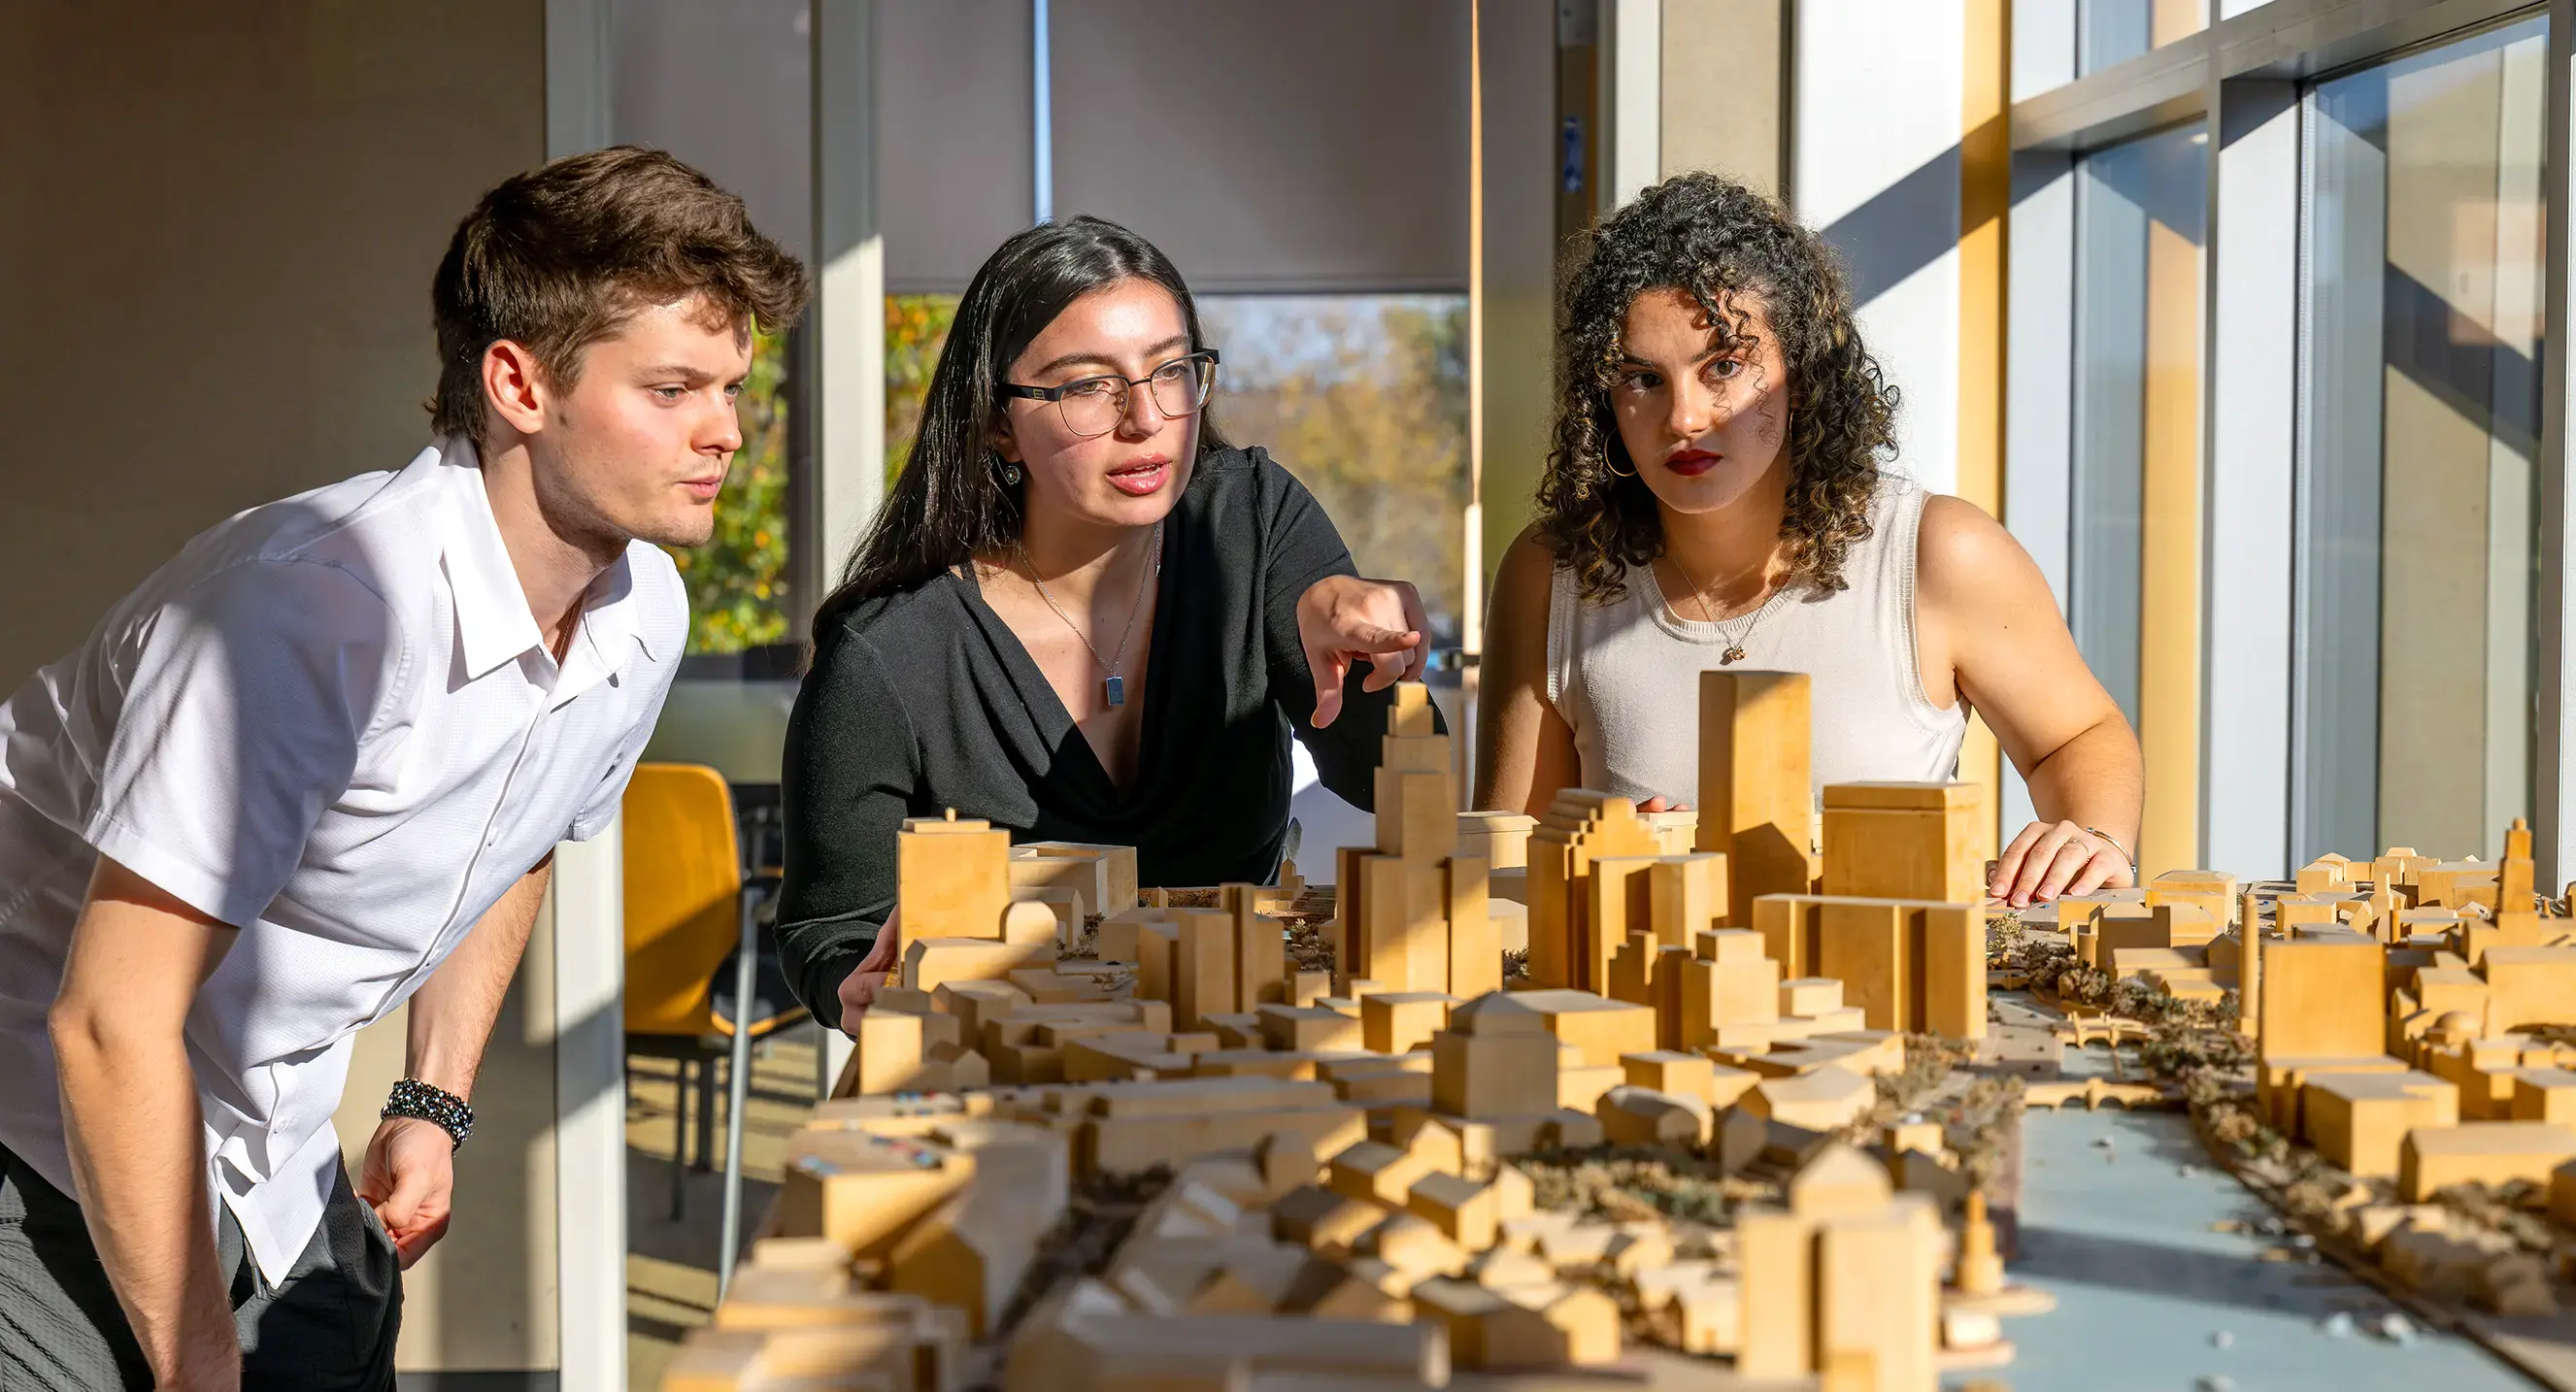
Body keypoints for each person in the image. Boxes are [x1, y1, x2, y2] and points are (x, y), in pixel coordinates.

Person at [0, 147, 807, 1389]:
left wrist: (433, 1101)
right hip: (38, 1112)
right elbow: (107, 1023)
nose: (727, 432)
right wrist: (196, 1361)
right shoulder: (311, 618)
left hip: (257, 1119)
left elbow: (521, 831)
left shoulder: (641, 609)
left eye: (733, 388)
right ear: (517, 385)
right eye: (674, 389)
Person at [778, 216, 1433, 1030]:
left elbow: (1380, 781)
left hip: (1245, 1040)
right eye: (1086, 385)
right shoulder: (891, 653)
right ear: (995, 422)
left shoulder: (1251, 523)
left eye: (1170, 371)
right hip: (1013, 1074)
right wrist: (855, 989)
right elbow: (827, 929)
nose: (1144, 419)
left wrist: (1382, 662)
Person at [1477, 171, 2142, 908]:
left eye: (1723, 366)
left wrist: (2092, 836)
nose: (1684, 419)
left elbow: (2076, 734)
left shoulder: (1936, 552)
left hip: (1897, 1000)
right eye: (1642, 378)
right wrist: (1590, 851)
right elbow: (1504, 865)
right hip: (1651, 1007)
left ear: (1802, 371)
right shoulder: (1551, 571)